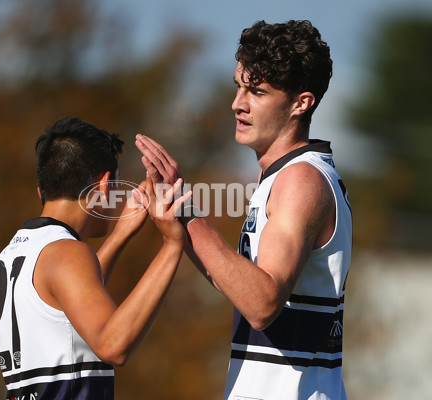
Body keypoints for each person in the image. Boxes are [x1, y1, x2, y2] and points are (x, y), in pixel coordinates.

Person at [136, 20, 352, 399]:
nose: (238, 103)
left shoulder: (301, 180)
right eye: (239, 87)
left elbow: (262, 302)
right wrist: (178, 225)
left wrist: (189, 213)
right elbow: (237, 285)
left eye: (257, 92)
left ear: (301, 103)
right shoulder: (280, 176)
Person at [0, 116, 191, 399]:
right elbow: (113, 345)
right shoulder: (66, 253)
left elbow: (72, 302)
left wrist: (119, 236)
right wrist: (172, 244)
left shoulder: (13, 254)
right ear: (104, 185)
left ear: (42, 191)